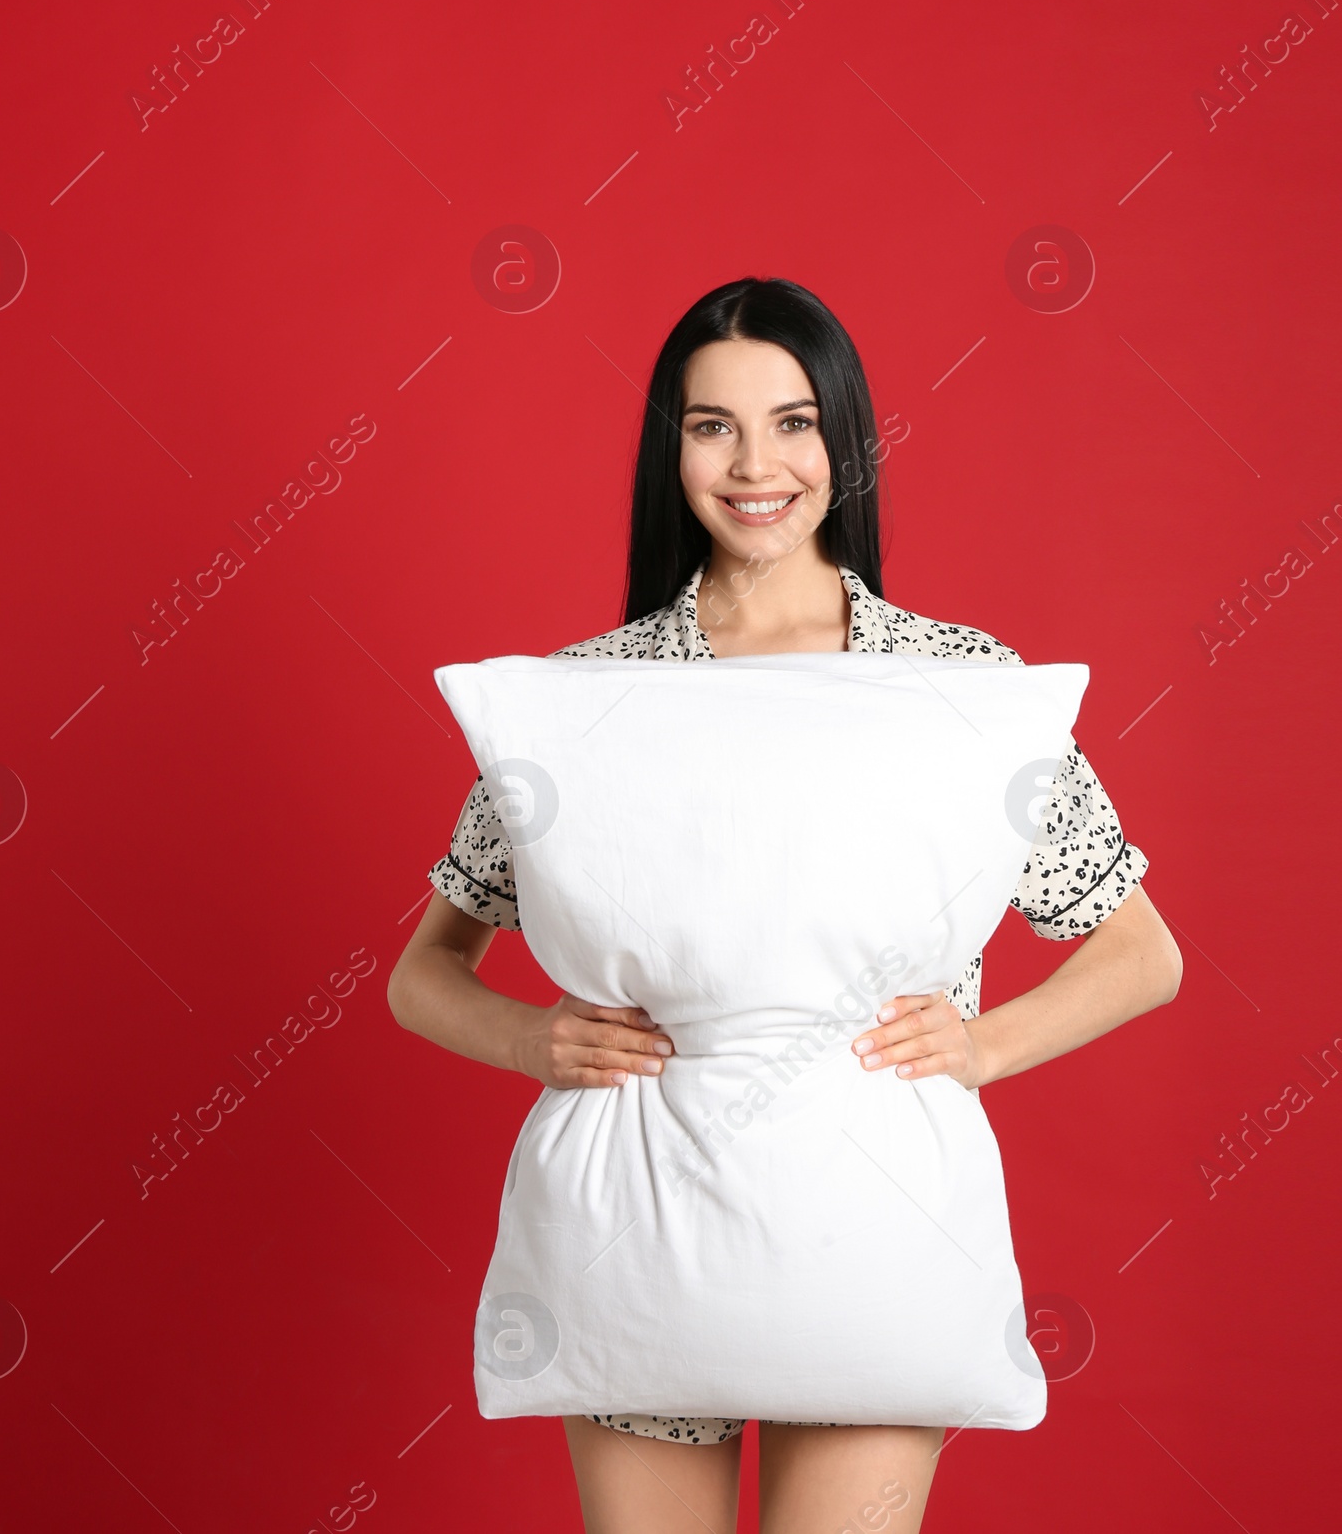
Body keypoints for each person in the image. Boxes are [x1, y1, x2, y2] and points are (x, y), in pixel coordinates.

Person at [388, 276, 1183, 1534]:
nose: (756, 463)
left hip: (867, 1238)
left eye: (794, 422)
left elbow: (1139, 953)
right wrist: (532, 1039)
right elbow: (422, 971)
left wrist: (979, 1048)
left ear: (844, 440)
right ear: (673, 448)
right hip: (637, 1226)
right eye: (713, 426)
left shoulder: (955, 687)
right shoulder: (588, 699)